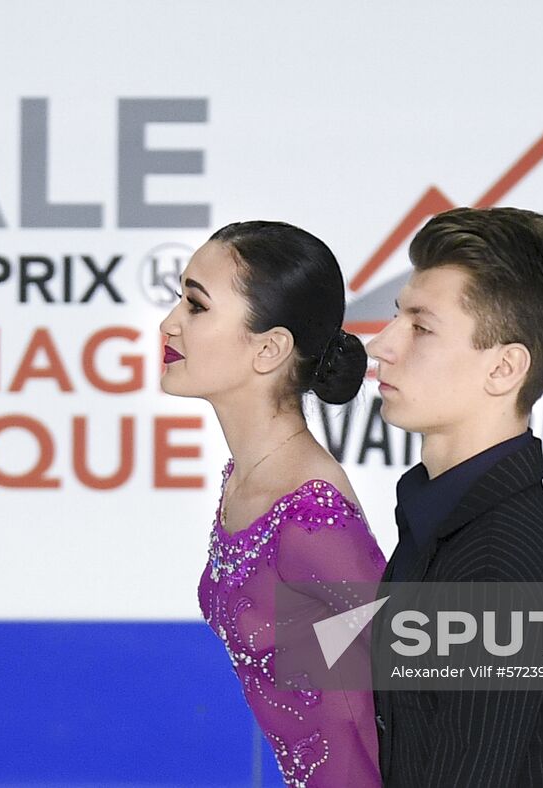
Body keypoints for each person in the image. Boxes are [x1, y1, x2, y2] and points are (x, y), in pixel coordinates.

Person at [365, 207, 543, 786]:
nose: (381, 345)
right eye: (398, 316)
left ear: (504, 368)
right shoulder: (444, 523)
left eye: (421, 327)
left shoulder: (497, 570)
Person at [160, 220, 385, 787]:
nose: (169, 324)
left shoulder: (311, 514)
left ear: (269, 348)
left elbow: (413, 686)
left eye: (195, 305)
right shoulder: (247, 478)